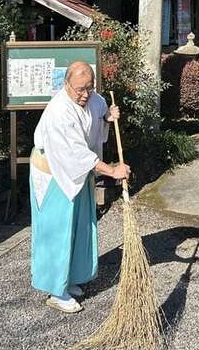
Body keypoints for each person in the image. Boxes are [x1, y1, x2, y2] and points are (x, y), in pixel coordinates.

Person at [29, 60, 131, 313]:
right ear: (66, 85)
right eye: (79, 90)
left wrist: (107, 116)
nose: (85, 94)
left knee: (80, 226)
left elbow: (98, 117)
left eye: (90, 87)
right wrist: (113, 171)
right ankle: (55, 289)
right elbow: (76, 153)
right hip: (54, 175)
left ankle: (70, 278)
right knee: (57, 230)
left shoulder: (95, 99)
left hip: (78, 174)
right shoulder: (58, 112)